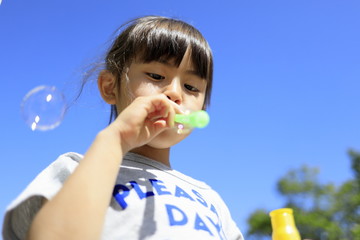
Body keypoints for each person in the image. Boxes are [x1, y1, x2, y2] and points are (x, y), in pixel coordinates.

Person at [2, 16, 244, 240]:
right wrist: (116, 139)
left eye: (191, 87)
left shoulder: (211, 199)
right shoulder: (77, 170)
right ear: (110, 87)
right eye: (156, 76)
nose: (175, 93)